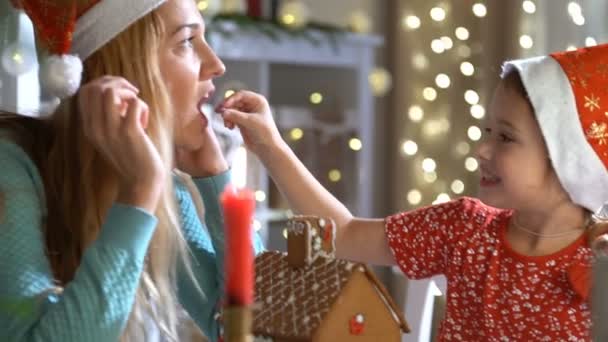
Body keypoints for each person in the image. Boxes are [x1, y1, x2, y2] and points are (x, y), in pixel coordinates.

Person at [216, 43, 608, 340]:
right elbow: (344, 234)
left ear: (568, 161)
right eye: (488, 131)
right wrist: (270, 146)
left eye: (505, 137)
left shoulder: (600, 265)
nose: (482, 149)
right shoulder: (463, 228)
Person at [0, 0, 263, 341]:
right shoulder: (10, 170)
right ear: (125, 68)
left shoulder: (155, 183)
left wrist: (215, 180)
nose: (216, 65)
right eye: (186, 41)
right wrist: (139, 191)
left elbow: (254, 330)